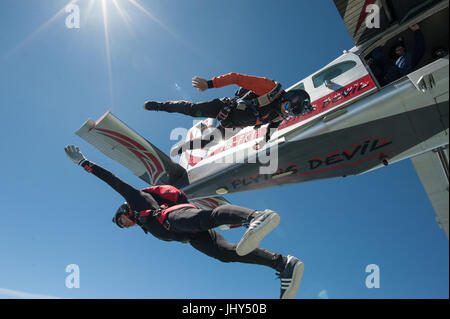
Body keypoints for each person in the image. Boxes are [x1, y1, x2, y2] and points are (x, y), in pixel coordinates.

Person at [64, 145, 305, 299]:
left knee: (205, 218)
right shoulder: (145, 226)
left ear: (124, 212)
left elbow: (114, 181)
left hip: (174, 217)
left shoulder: (136, 200)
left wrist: (84, 164)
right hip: (188, 236)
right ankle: (283, 264)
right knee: (226, 253)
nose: (125, 226)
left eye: (121, 222)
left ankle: (255, 216)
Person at [144, 72, 312, 150]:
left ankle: (184, 148)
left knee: (208, 142)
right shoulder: (270, 88)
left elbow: (271, 130)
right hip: (225, 107)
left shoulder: (279, 115)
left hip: (233, 125)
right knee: (191, 110)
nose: (286, 112)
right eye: (288, 107)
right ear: (288, 97)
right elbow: (235, 78)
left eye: (290, 113)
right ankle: (161, 106)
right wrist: (209, 84)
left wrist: (263, 143)